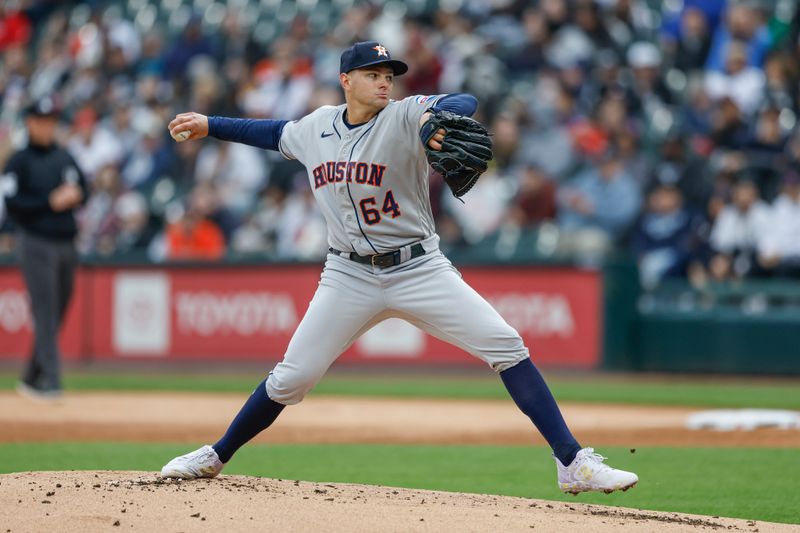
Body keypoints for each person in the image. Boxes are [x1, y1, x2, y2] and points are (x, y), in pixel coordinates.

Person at [160, 41, 638, 494]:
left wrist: (436, 114)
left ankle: (573, 463)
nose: (384, 83)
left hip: (418, 268)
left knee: (506, 345)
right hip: (347, 275)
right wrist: (210, 123)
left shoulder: (407, 114)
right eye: (373, 75)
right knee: (291, 378)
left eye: (388, 75)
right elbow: (269, 132)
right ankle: (215, 455)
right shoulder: (316, 127)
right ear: (346, 80)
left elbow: (464, 99)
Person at [2, 95, 89, 400]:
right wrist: (50, 202)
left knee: (59, 309)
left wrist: (76, 195)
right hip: (35, 241)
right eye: (43, 121)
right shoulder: (19, 161)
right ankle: (51, 381)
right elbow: (12, 204)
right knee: (46, 311)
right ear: (30, 123)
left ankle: (30, 377)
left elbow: (85, 189)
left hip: (66, 241)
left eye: (52, 121)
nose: (48, 127)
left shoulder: (64, 156)